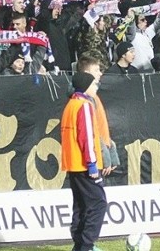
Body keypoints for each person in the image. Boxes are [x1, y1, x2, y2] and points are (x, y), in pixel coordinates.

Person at [61, 71, 107, 251]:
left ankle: (79, 244)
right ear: (86, 86)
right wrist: (92, 164)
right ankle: (86, 246)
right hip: (84, 164)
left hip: (72, 163)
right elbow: (86, 136)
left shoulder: (70, 105)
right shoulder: (84, 105)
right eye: (94, 84)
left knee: (80, 206)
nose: (96, 87)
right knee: (98, 204)